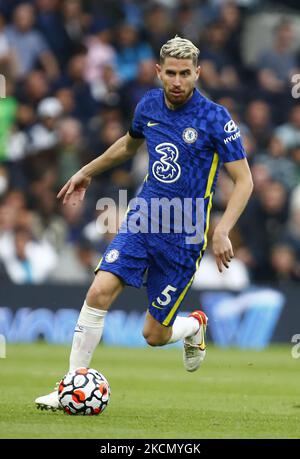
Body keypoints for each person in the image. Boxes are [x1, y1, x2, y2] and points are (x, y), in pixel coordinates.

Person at [35, 36, 253, 410]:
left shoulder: (215, 118)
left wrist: (221, 230)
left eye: (186, 73)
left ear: (197, 73)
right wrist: (86, 171)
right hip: (144, 216)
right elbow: (128, 143)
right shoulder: (149, 105)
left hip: (184, 234)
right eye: (171, 73)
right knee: (98, 291)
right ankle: (69, 386)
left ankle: (194, 325)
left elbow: (245, 180)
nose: (178, 81)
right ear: (158, 72)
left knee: (153, 334)